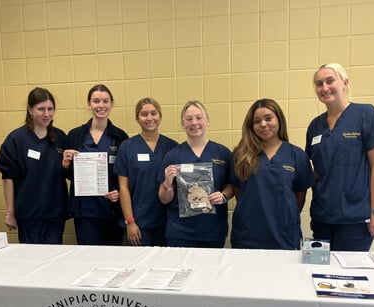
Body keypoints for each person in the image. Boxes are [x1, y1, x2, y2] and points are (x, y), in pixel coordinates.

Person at [305, 63, 374, 251]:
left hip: (355, 219)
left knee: (347, 277)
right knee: (320, 274)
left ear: (344, 82)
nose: (324, 88)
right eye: (319, 84)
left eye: (330, 81)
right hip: (322, 217)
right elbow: (316, 172)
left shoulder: (366, 114)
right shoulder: (315, 126)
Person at [231, 99, 313, 250]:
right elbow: (238, 191)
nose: (263, 124)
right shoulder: (240, 155)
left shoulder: (296, 155)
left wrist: (286, 216)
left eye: (268, 118)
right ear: (251, 126)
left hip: (284, 234)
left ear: (279, 120)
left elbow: (300, 194)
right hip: (248, 234)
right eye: (257, 121)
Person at [0, 87, 68, 244]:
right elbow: (8, 178)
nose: (46, 114)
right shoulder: (16, 140)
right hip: (28, 214)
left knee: (53, 259)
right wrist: (10, 212)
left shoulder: (60, 138)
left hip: (55, 214)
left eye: (50, 109)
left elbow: (66, 172)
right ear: (30, 110)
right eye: (41, 109)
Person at [158, 100, 234, 248]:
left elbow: (231, 186)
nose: (194, 123)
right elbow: (164, 199)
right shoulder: (172, 156)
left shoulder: (223, 153)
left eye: (199, 117)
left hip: (212, 230)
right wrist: (167, 183)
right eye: (189, 119)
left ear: (207, 121)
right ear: (182, 124)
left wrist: (223, 196)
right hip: (180, 232)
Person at [61, 84, 129, 245]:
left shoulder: (120, 137)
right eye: (96, 101)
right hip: (85, 212)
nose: (101, 105)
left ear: (112, 104)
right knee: (88, 258)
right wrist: (65, 164)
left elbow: (126, 174)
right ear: (89, 104)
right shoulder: (75, 135)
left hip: (111, 210)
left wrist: (119, 192)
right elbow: (69, 175)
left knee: (113, 259)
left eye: (105, 101)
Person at [114, 98, 177, 246]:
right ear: (137, 118)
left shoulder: (172, 147)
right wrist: (130, 222)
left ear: (160, 116)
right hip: (139, 223)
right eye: (144, 114)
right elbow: (123, 188)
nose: (149, 118)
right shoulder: (127, 147)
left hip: (168, 223)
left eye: (153, 113)